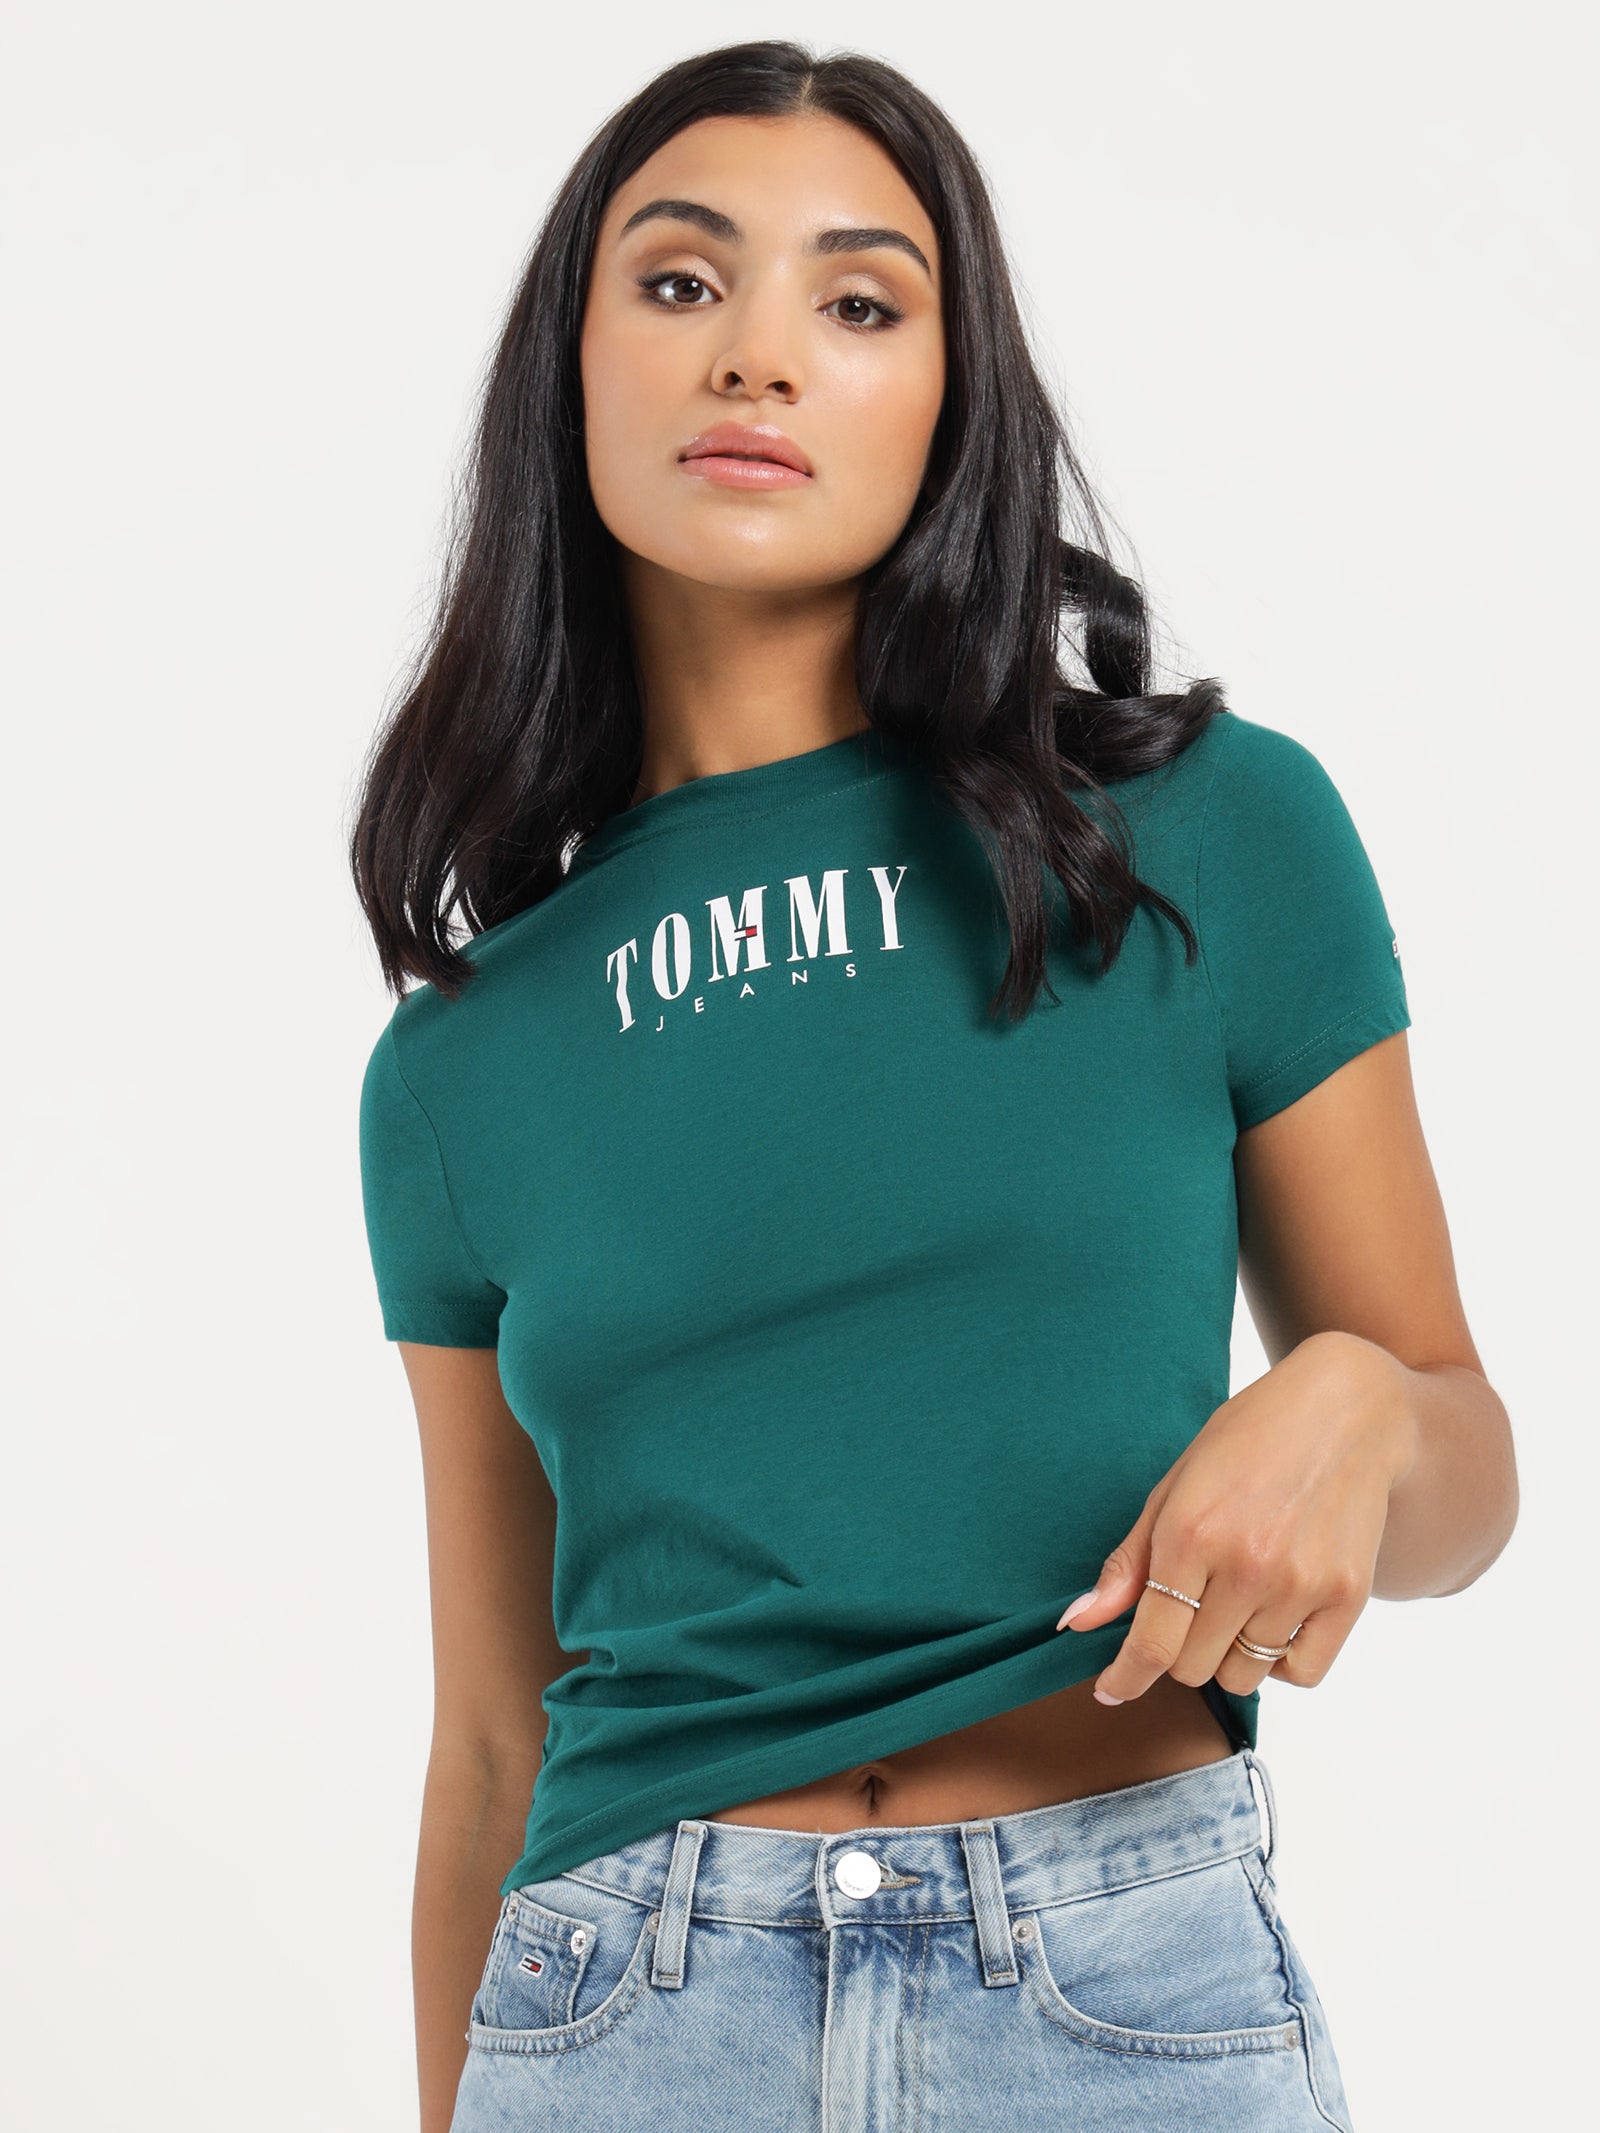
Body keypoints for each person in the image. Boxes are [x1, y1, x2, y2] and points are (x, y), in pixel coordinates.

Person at [349, 39, 1517, 2133]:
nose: (758, 355)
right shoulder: (460, 1060)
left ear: (951, 404)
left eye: (860, 301)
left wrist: (1353, 1396)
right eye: (681, 282)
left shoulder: (1200, 838)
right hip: (622, 2016)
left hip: (1119, 1994)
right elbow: (492, 1754)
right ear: (572, 370)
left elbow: (1459, 1479)